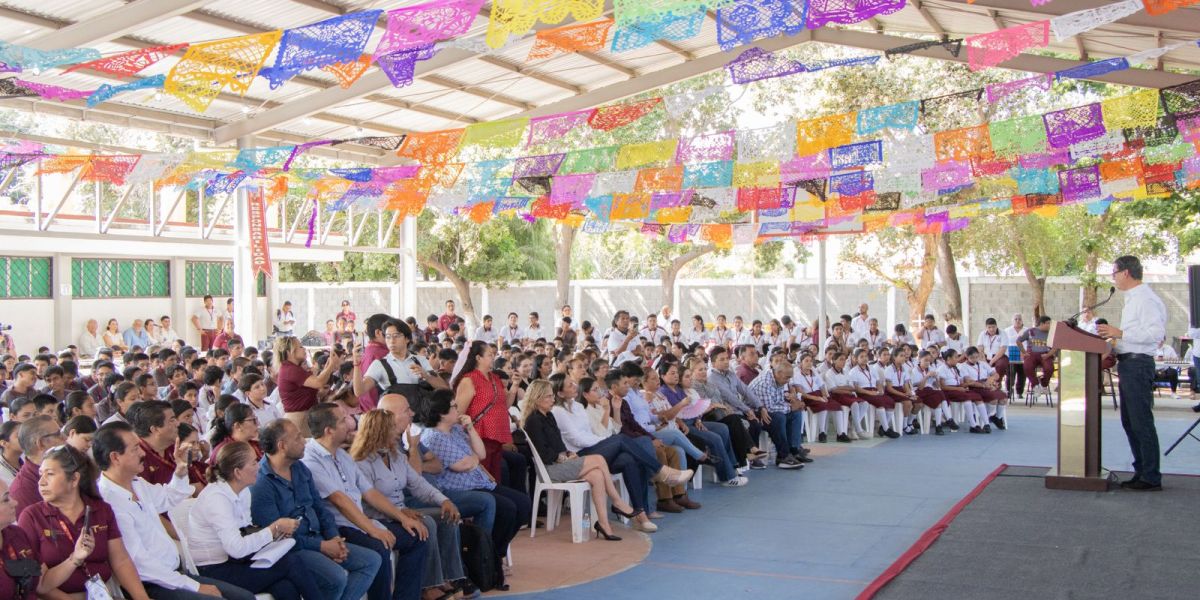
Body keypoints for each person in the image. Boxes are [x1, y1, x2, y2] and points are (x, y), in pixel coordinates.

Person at [94, 421, 249, 599]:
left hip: (175, 575)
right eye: (135, 449)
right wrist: (194, 586)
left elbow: (168, 498)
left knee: (244, 597)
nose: (143, 453)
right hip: (154, 584)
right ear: (115, 457)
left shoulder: (136, 483)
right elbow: (141, 564)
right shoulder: (108, 502)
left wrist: (181, 470)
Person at [303, 403, 428, 600]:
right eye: (343, 421)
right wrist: (373, 530)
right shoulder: (311, 460)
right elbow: (340, 501)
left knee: (416, 536)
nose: (350, 424)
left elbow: (369, 492)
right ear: (329, 431)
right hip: (338, 527)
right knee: (379, 545)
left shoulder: (342, 455)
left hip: (359, 522)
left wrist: (401, 517)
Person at [251, 419, 381, 600]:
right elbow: (277, 536)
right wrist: (322, 546)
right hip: (292, 549)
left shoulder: (299, 467)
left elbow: (320, 508)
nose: (304, 441)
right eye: (297, 438)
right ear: (282, 445)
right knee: (335, 578)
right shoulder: (261, 483)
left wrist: (334, 537)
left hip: (319, 538)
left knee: (371, 561)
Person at [350, 408, 472, 599]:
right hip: (379, 517)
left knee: (447, 516)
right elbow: (368, 503)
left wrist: (444, 500)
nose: (397, 432)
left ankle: (451, 577)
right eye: (392, 428)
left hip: (403, 512)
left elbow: (418, 484)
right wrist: (400, 513)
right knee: (427, 524)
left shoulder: (396, 456)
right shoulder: (360, 462)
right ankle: (429, 586)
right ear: (379, 431)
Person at [189, 441, 325, 599]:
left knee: (285, 587)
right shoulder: (217, 499)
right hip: (214, 570)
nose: (258, 467)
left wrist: (276, 535)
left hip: (236, 561)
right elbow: (236, 548)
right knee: (291, 563)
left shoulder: (243, 491)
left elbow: (244, 530)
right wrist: (272, 529)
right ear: (238, 472)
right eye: (253, 463)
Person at [17, 444, 151, 599]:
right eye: (40, 474)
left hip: (104, 594)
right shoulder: (32, 516)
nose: (41, 482)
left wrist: (142, 597)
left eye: (50, 474)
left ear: (74, 479)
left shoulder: (100, 509)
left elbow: (120, 561)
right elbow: (39, 585)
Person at [520, 381, 639, 540]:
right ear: (537, 398)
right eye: (549, 396)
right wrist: (560, 457)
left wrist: (568, 453)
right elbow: (543, 453)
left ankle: (604, 524)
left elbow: (558, 444)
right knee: (598, 459)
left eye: (552, 396)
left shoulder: (548, 416)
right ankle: (617, 501)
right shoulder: (533, 420)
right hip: (551, 469)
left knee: (597, 474)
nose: (553, 400)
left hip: (560, 463)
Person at [422, 392, 529, 567]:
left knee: (523, 504)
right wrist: (473, 459)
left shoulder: (456, 430)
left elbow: (480, 454)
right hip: (462, 489)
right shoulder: (434, 437)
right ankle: (485, 555)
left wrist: (471, 429)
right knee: (507, 509)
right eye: (454, 407)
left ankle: (494, 552)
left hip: (480, 482)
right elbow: (463, 465)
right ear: (441, 413)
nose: (458, 409)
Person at [1098, 256, 1167, 491]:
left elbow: (1155, 335)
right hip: (1129, 363)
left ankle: (1151, 475)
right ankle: (1142, 470)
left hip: (1138, 365)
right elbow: (1131, 336)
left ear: (1126, 272)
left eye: (1114, 272)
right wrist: (1112, 343)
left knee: (1141, 421)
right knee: (1130, 421)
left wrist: (1120, 333)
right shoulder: (1133, 299)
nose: (1113, 277)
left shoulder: (1146, 299)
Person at [450, 341, 511, 481]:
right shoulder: (469, 380)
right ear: (478, 358)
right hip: (479, 436)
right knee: (484, 478)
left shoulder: (494, 377)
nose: (493, 358)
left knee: (496, 477)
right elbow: (458, 412)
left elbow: (502, 405)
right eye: (489, 355)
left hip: (497, 436)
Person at [274, 335, 342, 436]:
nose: (304, 349)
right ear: (289, 352)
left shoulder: (293, 368)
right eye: (300, 347)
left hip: (305, 416)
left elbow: (317, 384)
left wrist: (328, 367)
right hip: (299, 419)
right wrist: (331, 365)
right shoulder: (290, 369)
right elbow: (318, 382)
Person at [748, 364, 808, 468]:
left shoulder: (778, 380)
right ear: (778, 373)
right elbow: (769, 408)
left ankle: (793, 450)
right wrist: (790, 407)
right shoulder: (765, 383)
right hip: (755, 413)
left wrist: (793, 405)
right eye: (787, 377)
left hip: (767, 411)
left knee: (796, 414)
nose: (788, 381)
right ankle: (783, 457)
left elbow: (779, 402)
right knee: (779, 418)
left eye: (790, 377)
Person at [10, 416, 64, 515]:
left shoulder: (65, 467)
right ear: (41, 443)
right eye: (58, 434)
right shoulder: (23, 491)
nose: (65, 438)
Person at [0, 474, 38, 599]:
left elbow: (39, 584)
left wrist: (75, 559)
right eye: (6, 500)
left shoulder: (17, 535)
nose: (15, 503)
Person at [1016, 316, 1058, 396]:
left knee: (1049, 368)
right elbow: (1018, 341)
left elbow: (1056, 347)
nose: (1050, 325)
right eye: (1048, 323)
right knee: (1027, 366)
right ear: (1042, 324)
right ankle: (1035, 385)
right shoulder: (1030, 331)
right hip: (1031, 354)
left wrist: (1049, 354)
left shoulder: (1051, 333)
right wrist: (1024, 352)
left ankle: (1043, 384)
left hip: (1045, 354)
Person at [0, 421, 22, 485]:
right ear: (4, 443)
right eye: (19, 435)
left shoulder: (27, 459)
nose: (26, 438)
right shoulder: (1, 472)